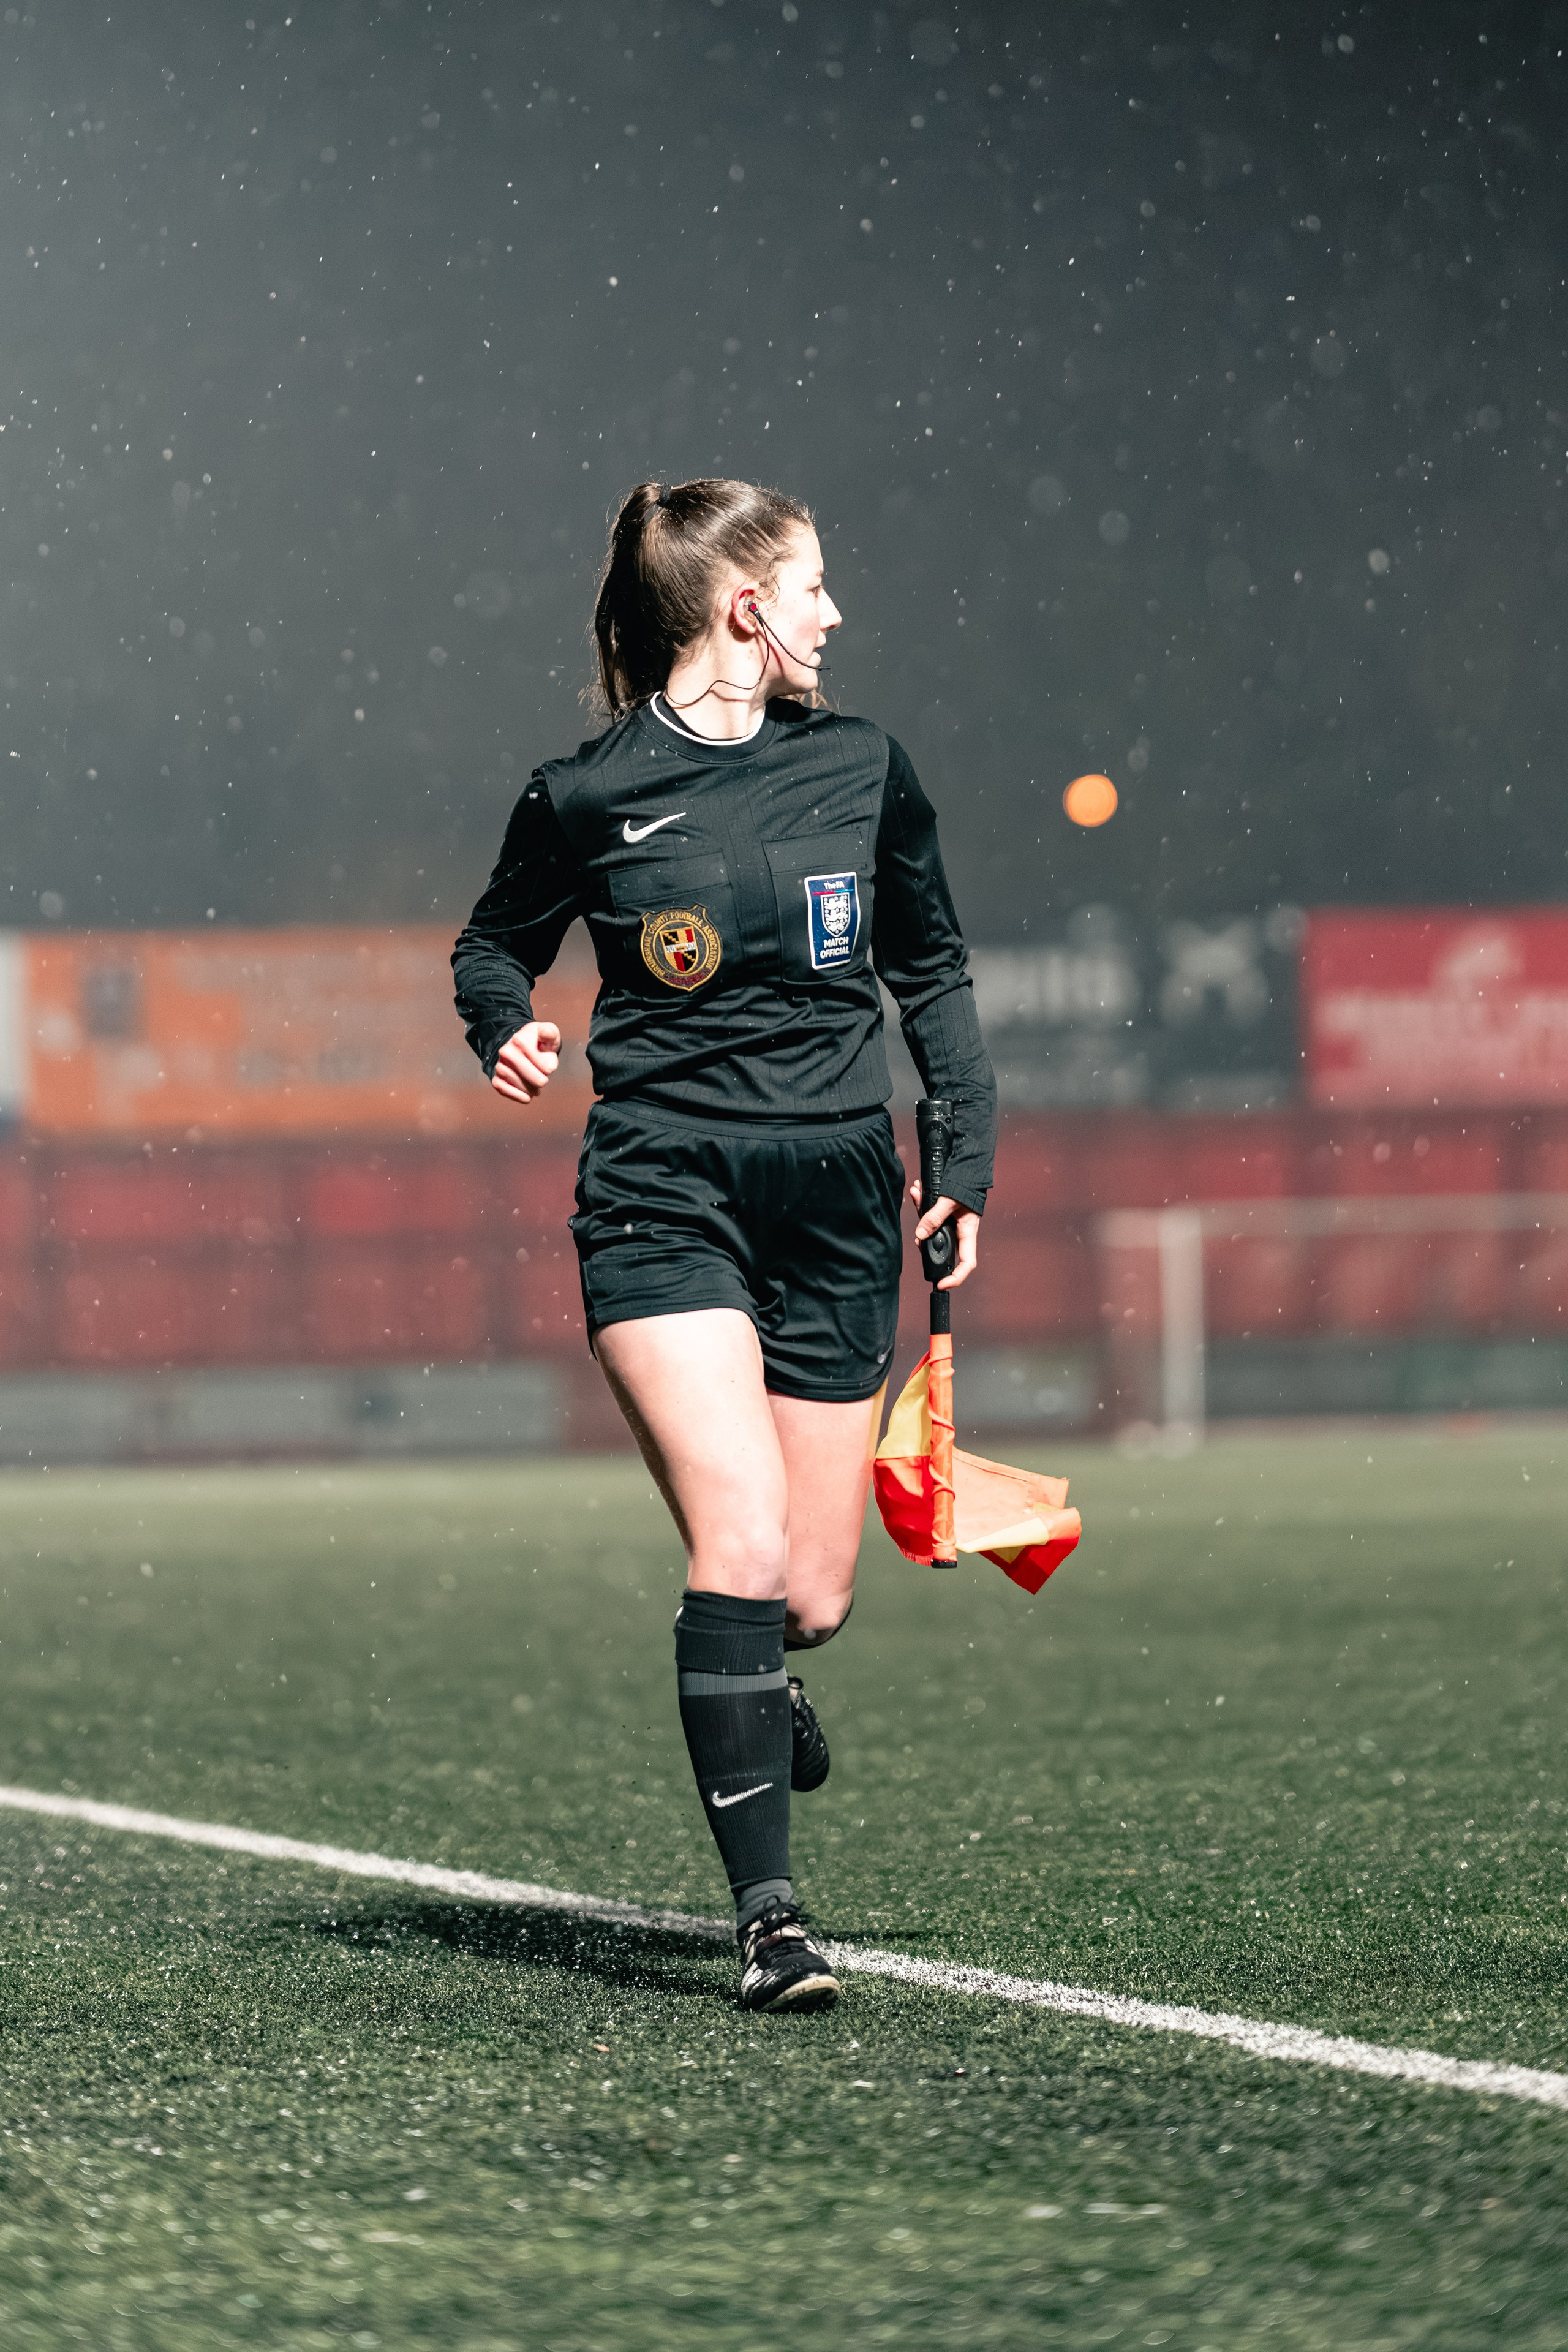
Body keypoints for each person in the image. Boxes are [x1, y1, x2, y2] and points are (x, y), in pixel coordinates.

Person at [453, 477, 996, 2013]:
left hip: (834, 1201)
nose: (832, 613)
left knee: (807, 1597)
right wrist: (505, 1025)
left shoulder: (864, 767)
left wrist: (957, 1160)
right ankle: (770, 1926)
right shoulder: (585, 794)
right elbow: (494, 941)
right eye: (811, 585)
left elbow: (932, 971)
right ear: (741, 607)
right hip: (661, 1192)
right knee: (739, 1550)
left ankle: (758, 1676)